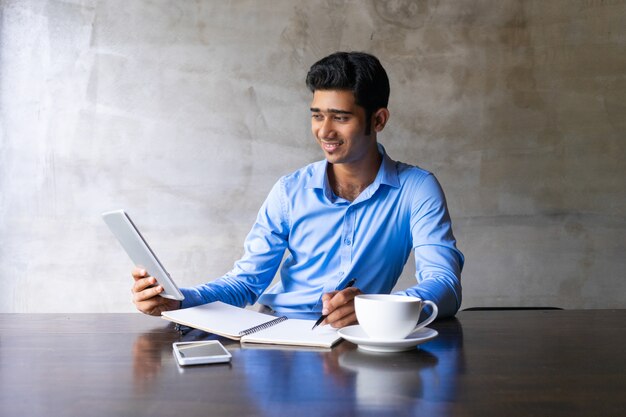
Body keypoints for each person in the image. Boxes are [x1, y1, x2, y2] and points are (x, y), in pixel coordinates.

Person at [131, 51, 464, 328]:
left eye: (340, 117)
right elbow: (246, 282)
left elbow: (444, 285)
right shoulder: (289, 191)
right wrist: (178, 300)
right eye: (317, 115)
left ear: (378, 120)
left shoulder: (417, 190)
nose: (325, 131)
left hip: (355, 339)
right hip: (276, 335)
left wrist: (377, 310)